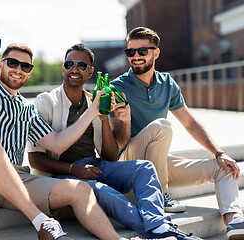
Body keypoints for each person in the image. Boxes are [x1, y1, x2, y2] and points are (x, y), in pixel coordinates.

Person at [0, 33, 175, 240]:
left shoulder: (26, 109)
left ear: (30, 73)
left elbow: (57, 144)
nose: (18, 69)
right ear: (0, 64)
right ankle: (42, 222)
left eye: (25, 66)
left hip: (17, 181)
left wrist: (94, 113)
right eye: (12, 63)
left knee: (80, 189)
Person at [27, 43, 201, 240]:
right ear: (63, 68)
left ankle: (158, 226)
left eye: (81, 66)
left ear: (90, 72)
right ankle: (159, 232)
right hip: (62, 176)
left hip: (94, 165)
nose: (74, 69)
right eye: (69, 64)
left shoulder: (95, 101)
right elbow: (35, 160)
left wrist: (104, 120)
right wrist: (73, 170)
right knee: (104, 191)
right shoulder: (46, 102)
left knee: (145, 168)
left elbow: (109, 156)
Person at [110, 26, 244, 240]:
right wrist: (123, 120)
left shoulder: (167, 83)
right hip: (129, 163)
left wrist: (218, 153)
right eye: (130, 52)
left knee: (224, 168)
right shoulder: (117, 86)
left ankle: (234, 220)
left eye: (142, 51)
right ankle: (160, 195)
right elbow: (118, 142)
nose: (135, 57)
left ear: (156, 53)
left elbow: (189, 122)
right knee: (162, 126)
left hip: (158, 163)